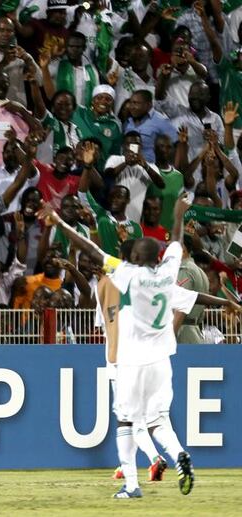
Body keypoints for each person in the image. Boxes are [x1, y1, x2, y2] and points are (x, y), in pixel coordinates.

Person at [39, 195, 240, 498]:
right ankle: (179, 454)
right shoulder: (168, 271)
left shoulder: (128, 274)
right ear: (157, 257)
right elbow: (175, 241)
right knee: (158, 420)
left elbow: (90, 249)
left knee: (126, 418)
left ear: (134, 257)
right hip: (161, 360)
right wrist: (178, 215)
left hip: (132, 360)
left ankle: (131, 485)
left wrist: (59, 222)